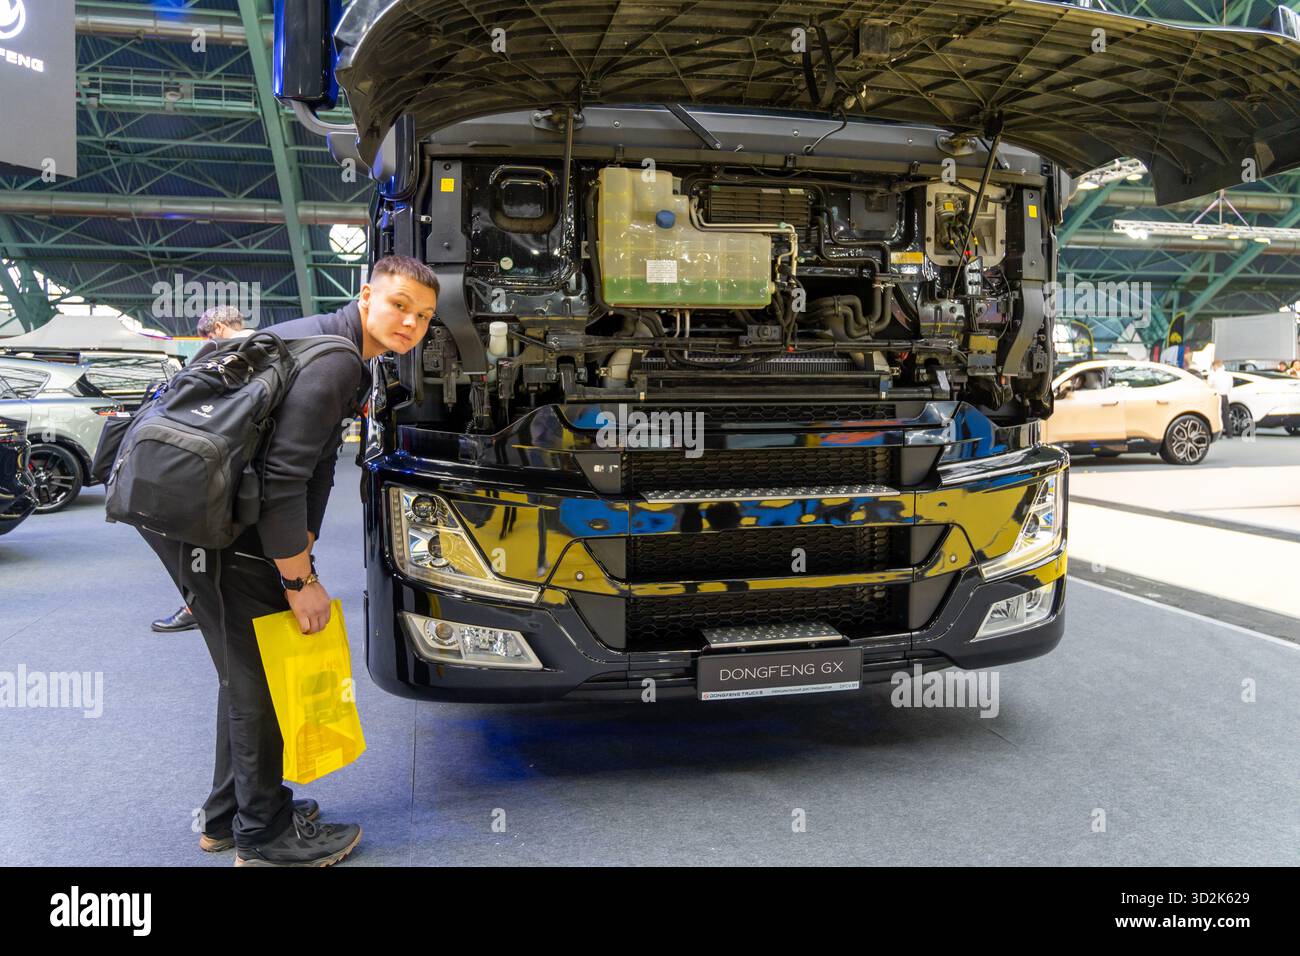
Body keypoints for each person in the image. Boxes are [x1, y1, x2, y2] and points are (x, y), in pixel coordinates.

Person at [138, 255, 438, 866]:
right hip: (207, 521)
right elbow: (284, 475)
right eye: (400, 304)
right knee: (260, 673)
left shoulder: (335, 348)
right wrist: (299, 578)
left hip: (203, 508)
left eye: (424, 316)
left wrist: (303, 544)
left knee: (246, 666)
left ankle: (230, 816)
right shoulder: (337, 359)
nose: (411, 322)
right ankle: (264, 834)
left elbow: (314, 467)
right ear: (366, 296)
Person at [153, 305, 257, 633]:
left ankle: (197, 606)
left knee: (196, 534)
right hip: (257, 461)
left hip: (222, 458)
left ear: (215, 329)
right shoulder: (268, 344)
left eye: (205, 335)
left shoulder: (219, 351)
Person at [1207, 359, 1234, 438]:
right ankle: (1230, 433)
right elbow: (1230, 386)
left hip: (1216, 396)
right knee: (1226, 415)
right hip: (1225, 396)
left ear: (1215, 365)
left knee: (1217, 415)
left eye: (1213, 366)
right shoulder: (1228, 375)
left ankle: (1219, 434)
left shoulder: (1213, 374)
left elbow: (1209, 385)